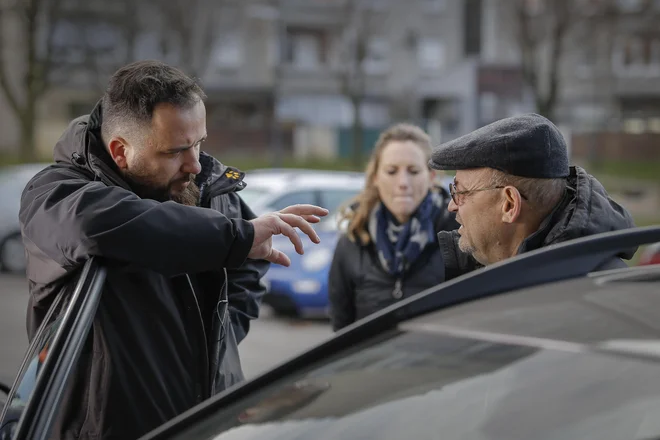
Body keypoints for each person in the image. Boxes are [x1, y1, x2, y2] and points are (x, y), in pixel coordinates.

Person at [18, 60, 328, 440]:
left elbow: (246, 271)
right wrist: (237, 238)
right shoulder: (54, 195)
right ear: (120, 151)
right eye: (176, 150)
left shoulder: (208, 190)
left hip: (213, 425)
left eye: (199, 142)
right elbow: (100, 226)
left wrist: (216, 345)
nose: (195, 164)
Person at [429, 113, 636, 280]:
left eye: (459, 192)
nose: (452, 206)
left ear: (509, 205)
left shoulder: (578, 294)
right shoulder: (544, 280)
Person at [328, 123, 459, 332]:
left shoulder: (460, 236)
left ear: (431, 177)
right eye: (391, 171)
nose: (403, 182)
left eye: (414, 171)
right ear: (376, 178)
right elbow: (341, 330)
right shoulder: (352, 241)